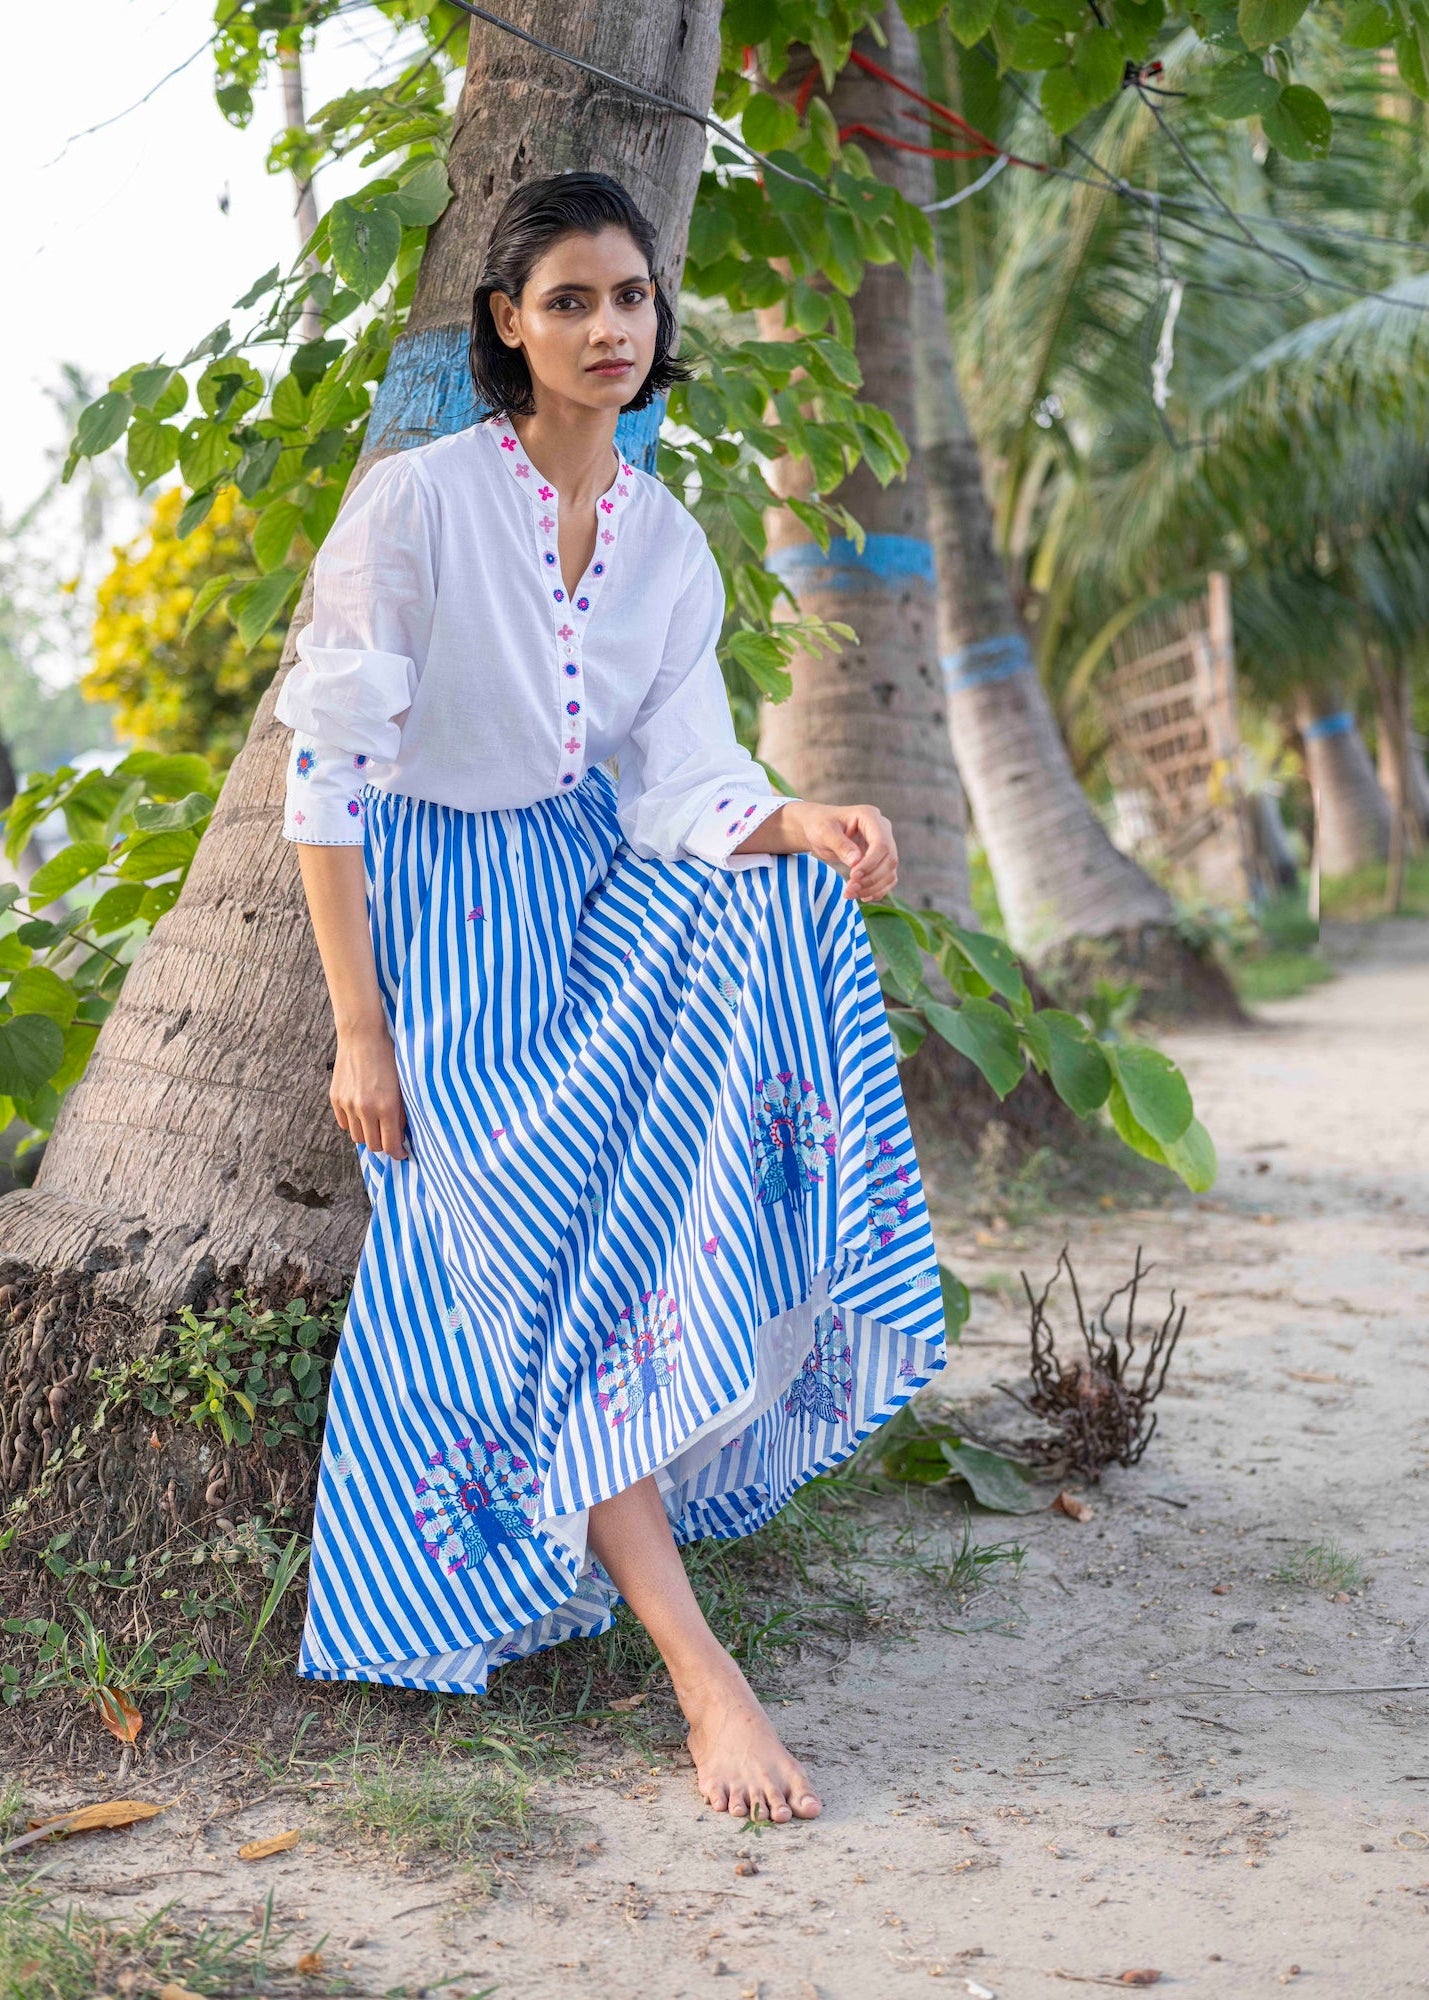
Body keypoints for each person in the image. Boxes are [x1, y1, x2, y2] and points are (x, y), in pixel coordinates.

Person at [277, 170, 948, 1826]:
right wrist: (362, 1030)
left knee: (787, 906)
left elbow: (683, 779)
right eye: (568, 300)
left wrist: (801, 819)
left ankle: (736, 1365)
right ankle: (700, 1675)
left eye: (630, 297)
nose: (606, 328)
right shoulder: (420, 501)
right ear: (507, 323)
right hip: (440, 923)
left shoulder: (664, 539)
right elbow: (327, 775)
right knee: (527, 1270)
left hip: (590, 888)